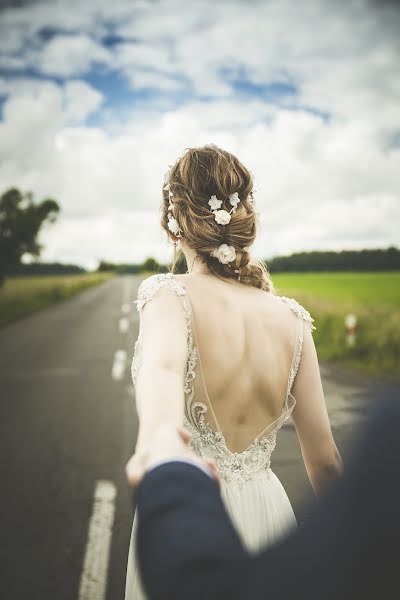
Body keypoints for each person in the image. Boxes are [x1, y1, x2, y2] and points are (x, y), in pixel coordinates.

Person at [124, 144, 343, 599]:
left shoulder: (169, 295)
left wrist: (158, 439)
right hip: (271, 518)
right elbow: (325, 462)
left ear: (173, 224)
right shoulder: (294, 320)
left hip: (190, 513)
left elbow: (163, 369)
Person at [127, 394, 400, 600]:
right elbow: (325, 461)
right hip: (267, 499)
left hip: (194, 500)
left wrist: (165, 461)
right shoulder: (297, 324)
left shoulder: (173, 319)